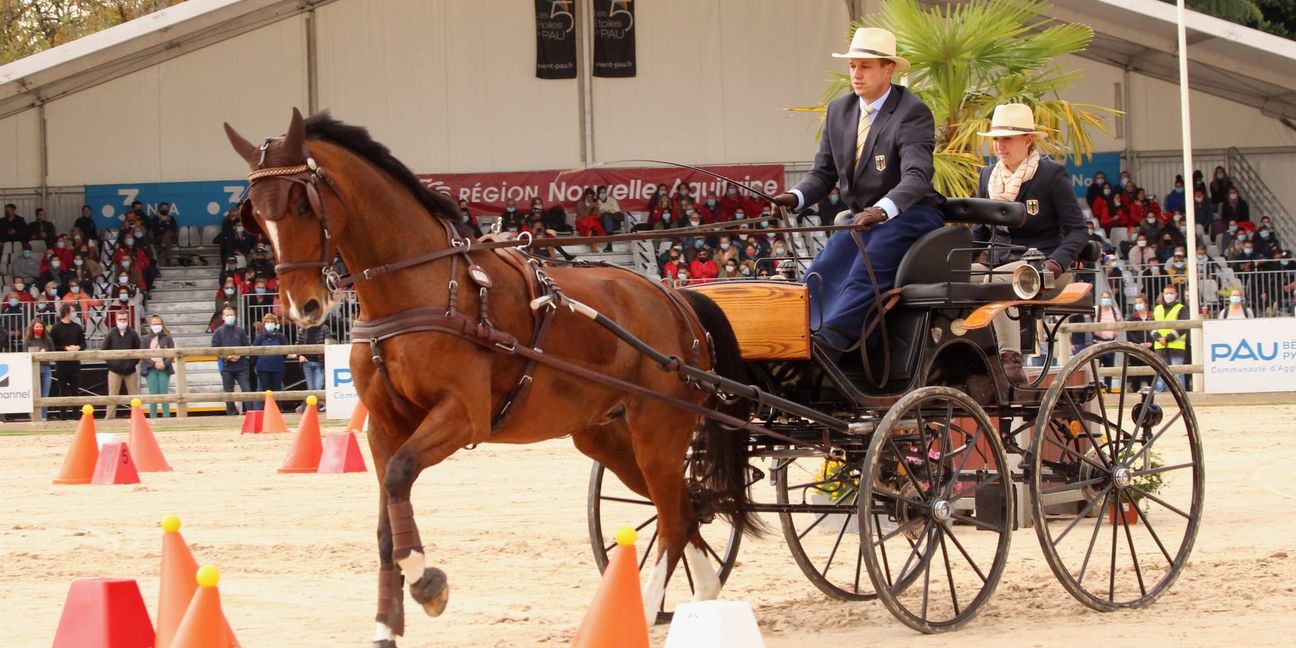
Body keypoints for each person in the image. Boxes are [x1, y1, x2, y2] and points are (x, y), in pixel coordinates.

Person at [772, 27, 943, 354]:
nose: (856, 73)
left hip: (909, 213)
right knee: (824, 266)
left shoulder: (911, 112)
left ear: (888, 69)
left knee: (870, 263)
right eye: (852, 66)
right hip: (862, 219)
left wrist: (883, 209)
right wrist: (796, 197)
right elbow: (823, 172)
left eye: (865, 66)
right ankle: (801, 331)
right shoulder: (840, 110)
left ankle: (835, 337)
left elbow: (917, 175)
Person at [971, 103, 1087, 384]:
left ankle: (1010, 360)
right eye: (996, 139)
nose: (1000, 145)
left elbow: (1078, 231)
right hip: (1000, 265)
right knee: (966, 277)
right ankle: (975, 355)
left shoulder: (1050, 175)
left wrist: (1055, 263)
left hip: (1042, 269)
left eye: (1007, 138)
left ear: (1029, 140)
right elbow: (980, 232)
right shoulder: (987, 177)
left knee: (1003, 279)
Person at [101, 309, 142, 419]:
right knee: (112, 397)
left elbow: (139, 351)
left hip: (130, 371)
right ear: (116, 319)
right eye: (120, 319)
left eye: (124, 319)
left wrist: (133, 363)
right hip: (114, 370)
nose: (122, 321)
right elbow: (104, 351)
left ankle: (137, 418)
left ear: (128, 319)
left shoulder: (133, 333)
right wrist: (112, 364)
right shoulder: (111, 333)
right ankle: (109, 419)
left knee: (134, 396)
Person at [212, 306, 252, 415]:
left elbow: (246, 346)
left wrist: (240, 354)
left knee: (247, 390)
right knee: (228, 391)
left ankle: (251, 413)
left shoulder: (240, 331)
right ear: (223, 317)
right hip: (226, 366)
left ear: (235, 316)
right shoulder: (218, 332)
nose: (230, 317)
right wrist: (226, 356)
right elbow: (215, 348)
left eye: (232, 315)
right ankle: (231, 413)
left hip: (241, 366)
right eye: (227, 315)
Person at [49, 303, 85, 421]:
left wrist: (78, 347)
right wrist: (65, 348)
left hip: (75, 364)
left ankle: (76, 415)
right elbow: (52, 346)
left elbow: (83, 344)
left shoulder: (77, 327)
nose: (74, 313)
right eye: (73, 310)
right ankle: (63, 416)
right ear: (66, 312)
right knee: (62, 390)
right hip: (61, 364)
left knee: (76, 390)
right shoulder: (56, 327)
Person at [1152, 284, 1188, 392]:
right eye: (1166, 293)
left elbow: (1182, 327)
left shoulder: (1182, 308)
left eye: (1171, 293)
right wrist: (1159, 338)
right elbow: (1151, 326)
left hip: (1176, 345)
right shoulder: (1157, 308)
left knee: (1177, 374)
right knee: (1160, 373)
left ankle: (1180, 395)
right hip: (1160, 346)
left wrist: (1167, 339)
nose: (1168, 295)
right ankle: (1159, 395)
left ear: (1176, 294)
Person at [139, 314, 176, 418]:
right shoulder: (145, 338)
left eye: (158, 324)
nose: (156, 326)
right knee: (153, 393)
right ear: (150, 325)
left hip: (164, 368)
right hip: (151, 369)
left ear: (162, 324)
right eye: (154, 324)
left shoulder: (168, 337)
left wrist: (165, 363)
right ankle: (153, 417)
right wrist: (153, 363)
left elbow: (171, 353)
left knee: (164, 392)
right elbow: (143, 354)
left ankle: (166, 416)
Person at [252, 313, 290, 409]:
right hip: (263, 368)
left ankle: (277, 410)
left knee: (277, 391)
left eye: (272, 322)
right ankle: (266, 411)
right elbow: (254, 351)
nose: (270, 323)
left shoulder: (280, 337)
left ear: (275, 323)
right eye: (267, 322)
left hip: (277, 368)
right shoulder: (260, 337)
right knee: (266, 391)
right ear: (264, 324)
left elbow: (286, 351)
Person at [25, 319, 53, 421]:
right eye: (37, 327)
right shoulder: (28, 340)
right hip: (33, 369)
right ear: (32, 328)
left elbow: (53, 352)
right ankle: (34, 415)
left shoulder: (48, 340)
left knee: (45, 394)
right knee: (35, 393)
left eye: (40, 327)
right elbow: (25, 355)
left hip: (46, 368)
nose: (39, 329)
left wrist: (46, 352)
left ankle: (44, 417)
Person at [298, 322, 330, 412]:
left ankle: (307, 407)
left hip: (319, 363)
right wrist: (300, 355)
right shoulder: (302, 329)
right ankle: (311, 409)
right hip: (307, 362)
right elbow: (299, 344)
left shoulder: (324, 328)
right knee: (311, 388)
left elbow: (329, 343)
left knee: (317, 387)